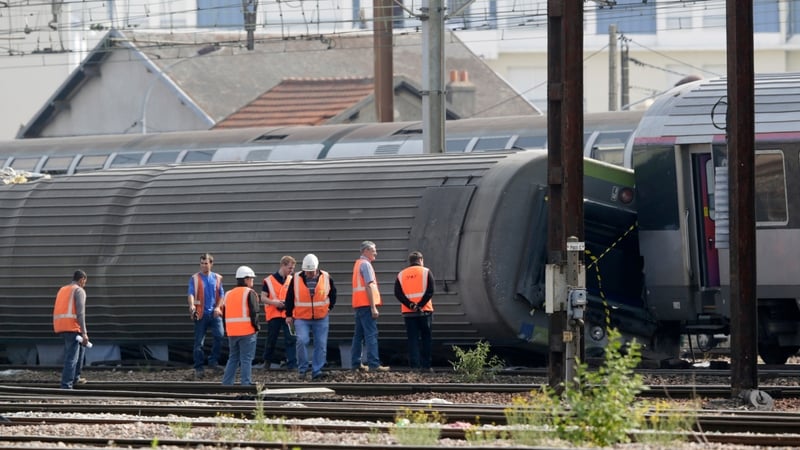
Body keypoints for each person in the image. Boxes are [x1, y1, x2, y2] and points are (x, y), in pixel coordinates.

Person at [285, 254, 336, 381]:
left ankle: (316, 371)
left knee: (321, 344)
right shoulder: (296, 278)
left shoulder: (326, 277)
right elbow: (290, 297)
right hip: (302, 317)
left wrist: (329, 308)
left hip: (321, 317)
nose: (309, 274)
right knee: (302, 341)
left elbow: (333, 294)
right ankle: (302, 369)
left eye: (311, 272)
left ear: (317, 269)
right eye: (307, 272)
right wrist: (289, 315)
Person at [350, 240, 389, 372]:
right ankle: (374, 364)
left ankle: (355, 363)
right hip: (366, 305)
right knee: (371, 334)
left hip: (359, 305)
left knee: (358, 336)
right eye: (373, 250)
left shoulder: (357, 264)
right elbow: (369, 285)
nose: (375, 253)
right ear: (365, 251)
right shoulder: (366, 265)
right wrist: (373, 307)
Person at [394, 251, 435, 371]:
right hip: (425, 312)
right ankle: (426, 366)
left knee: (413, 340)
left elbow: (398, 293)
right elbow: (430, 290)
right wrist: (420, 305)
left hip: (408, 313)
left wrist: (410, 305)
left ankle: (414, 366)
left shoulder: (401, 274)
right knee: (426, 339)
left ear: (410, 261)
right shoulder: (426, 272)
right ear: (421, 260)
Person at [187, 253, 225, 379]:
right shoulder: (195, 278)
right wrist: (192, 306)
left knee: (219, 336)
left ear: (211, 264)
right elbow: (191, 293)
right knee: (199, 342)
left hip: (214, 313)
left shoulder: (217, 278)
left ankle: (213, 361)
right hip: (201, 313)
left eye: (206, 263)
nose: (204, 266)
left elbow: (221, 295)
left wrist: (218, 307)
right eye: (202, 263)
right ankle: (199, 367)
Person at [221, 266, 260, 385]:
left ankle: (226, 384)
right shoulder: (250, 293)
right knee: (246, 359)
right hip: (247, 331)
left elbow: (224, 314)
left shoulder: (228, 294)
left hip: (232, 332)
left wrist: (228, 329)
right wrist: (256, 327)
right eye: (251, 279)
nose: (252, 281)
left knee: (233, 358)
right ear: (246, 279)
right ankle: (246, 385)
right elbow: (254, 312)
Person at [53, 270, 89, 389]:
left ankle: (76, 378)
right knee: (72, 358)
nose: (85, 284)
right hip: (72, 327)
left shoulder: (63, 289)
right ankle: (66, 386)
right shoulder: (79, 290)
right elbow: (80, 313)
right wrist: (84, 333)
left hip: (61, 326)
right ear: (82, 279)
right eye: (85, 281)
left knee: (81, 351)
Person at [260, 255, 297, 369]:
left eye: (292, 268)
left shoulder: (293, 280)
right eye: (290, 268)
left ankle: (292, 364)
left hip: (289, 314)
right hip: (274, 315)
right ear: (283, 266)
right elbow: (263, 298)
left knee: (291, 338)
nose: (292, 271)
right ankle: (267, 362)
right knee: (271, 338)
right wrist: (275, 303)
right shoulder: (268, 281)